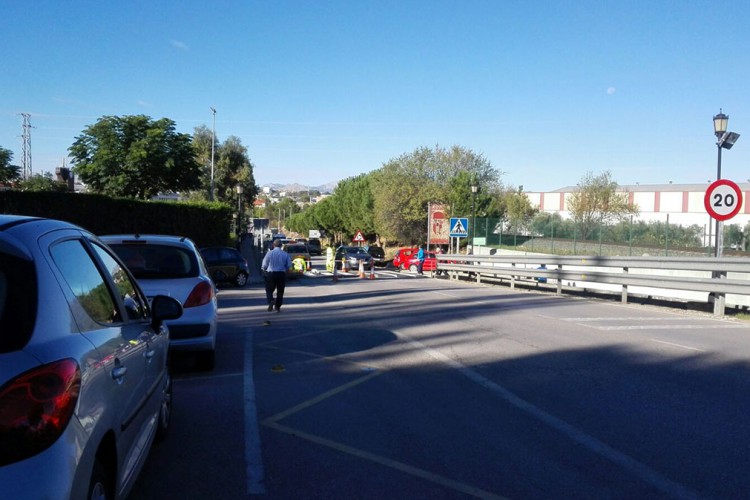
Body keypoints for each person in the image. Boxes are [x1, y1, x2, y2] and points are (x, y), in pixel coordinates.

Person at [261, 239, 292, 312]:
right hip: (281, 274)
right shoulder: (285, 254)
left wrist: (263, 269)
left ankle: (271, 300)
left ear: (273, 245)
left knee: (269, 289)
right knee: (280, 291)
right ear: (281, 246)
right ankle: (278, 306)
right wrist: (285, 270)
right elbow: (289, 265)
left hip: (271, 273)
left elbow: (264, 264)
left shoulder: (269, 253)